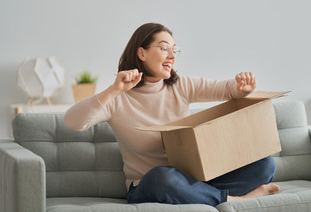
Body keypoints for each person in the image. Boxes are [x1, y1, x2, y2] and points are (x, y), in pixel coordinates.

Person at [64, 22, 280, 206]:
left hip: (193, 181)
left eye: (174, 51)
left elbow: (225, 89)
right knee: (162, 175)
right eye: (164, 48)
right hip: (150, 186)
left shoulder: (181, 86)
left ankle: (204, 196)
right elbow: (73, 122)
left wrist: (242, 88)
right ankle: (233, 201)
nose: (172, 56)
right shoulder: (118, 99)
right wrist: (113, 90)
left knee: (265, 164)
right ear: (142, 53)